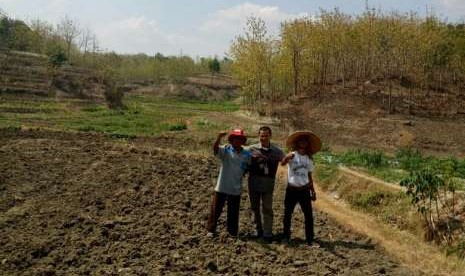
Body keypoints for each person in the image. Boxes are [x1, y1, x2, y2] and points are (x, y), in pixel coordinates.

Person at [207, 129, 251, 237]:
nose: (237, 141)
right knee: (216, 209)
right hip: (222, 185)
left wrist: (241, 173)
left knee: (233, 212)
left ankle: (232, 232)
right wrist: (218, 138)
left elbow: (248, 167)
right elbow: (215, 149)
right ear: (231, 140)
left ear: (242, 141)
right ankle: (211, 230)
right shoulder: (226, 150)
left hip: (236, 187)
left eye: (240, 139)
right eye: (235, 138)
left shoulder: (246, 154)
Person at [280, 131, 322, 246]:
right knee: (288, 213)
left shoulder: (309, 159)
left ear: (307, 144)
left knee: (308, 215)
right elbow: (282, 163)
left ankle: (309, 239)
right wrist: (286, 157)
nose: (303, 142)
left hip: (304, 190)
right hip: (292, 189)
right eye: (301, 140)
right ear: (297, 142)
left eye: (305, 141)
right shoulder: (292, 155)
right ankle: (286, 237)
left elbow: (309, 175)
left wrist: (312, 190)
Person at [247, 126, 284, 242]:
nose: (263, 138)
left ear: (270, 136)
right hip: (253, 181)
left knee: (267, 208)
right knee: (254, 207)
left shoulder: (277, 151)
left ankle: (268, 233)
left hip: (268, 182)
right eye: (261, 136)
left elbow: (284, 161)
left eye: (266, 135)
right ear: (259, 136)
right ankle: (257, 231)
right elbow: (239, 152)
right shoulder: (251, 149)